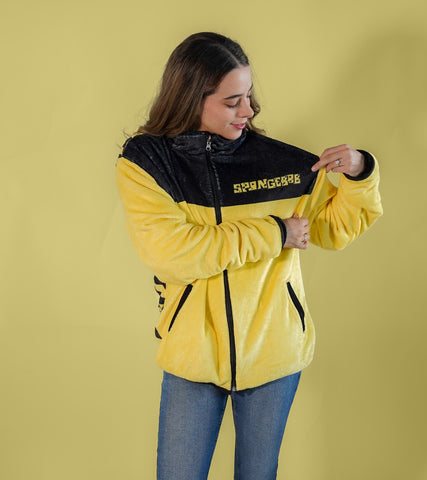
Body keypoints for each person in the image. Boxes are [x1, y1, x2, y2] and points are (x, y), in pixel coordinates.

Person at [116, 32, 382, 480]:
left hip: (275, 353)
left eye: (249, 96)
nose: (249, 110)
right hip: (192, 355)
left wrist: (360, 174)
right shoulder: (147, 164)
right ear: (190, 99)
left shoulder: (280, 165)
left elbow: (332, 231)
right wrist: (275, 233)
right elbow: (173, 252)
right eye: (232, 101)